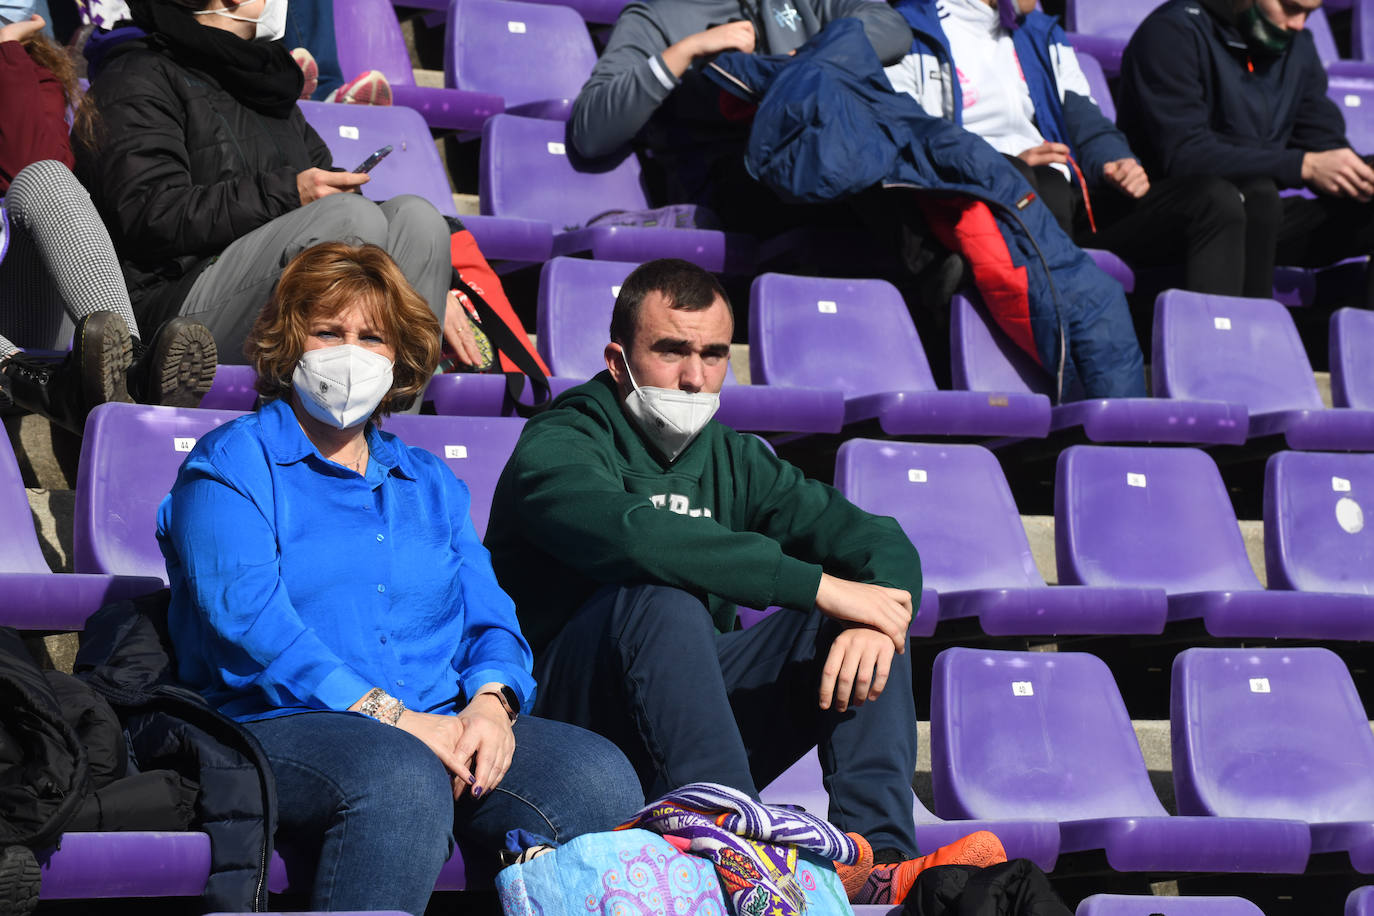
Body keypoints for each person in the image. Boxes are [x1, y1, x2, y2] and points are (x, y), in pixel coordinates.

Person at [485, 257, 1005, 907]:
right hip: (564, 724)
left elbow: (877, 538)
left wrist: (870, 611)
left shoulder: (734, 456)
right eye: (670, 351)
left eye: (712, 354)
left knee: (860, 619)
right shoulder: (560, 440)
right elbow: (636, 536)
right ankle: (749, 854)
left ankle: (873, 862)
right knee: (659, 597)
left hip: (684, 719)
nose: (694, 377)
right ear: (617, 361)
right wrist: (818, 585)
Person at [156, 241, 643, 916]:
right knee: (399, 774)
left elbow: (491, 621)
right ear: (289, 340)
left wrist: (490, 708)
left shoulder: (430, 481)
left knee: (595, 774)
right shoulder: (231, 464)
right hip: (277, 723)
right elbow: (250, 624)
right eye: (329, 331)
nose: (349, 352)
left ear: (400, 359)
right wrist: (397, 719)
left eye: (371, 337)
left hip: (439, 725)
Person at [72, 0, 460, 369]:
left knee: (417, 221)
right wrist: (290, 194)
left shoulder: (264, 80)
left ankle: (389, 424)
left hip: (270, 287)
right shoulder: (134, 76)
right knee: (348, 218)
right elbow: (150, 214)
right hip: (174, 304)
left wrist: (414, 285)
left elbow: (327, 187)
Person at [886, 0, 1251, 297]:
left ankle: (1213, 367)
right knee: (1044, 184)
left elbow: (1084, 119)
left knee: (1214, 201)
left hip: (1068, 199)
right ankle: (1060, 359)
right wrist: (1007, 163)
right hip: (988, 200)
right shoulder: (909, 31)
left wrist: (1116, 160)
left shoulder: (1041, 33)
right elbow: (913, 138)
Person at [0, 12, 216, 433]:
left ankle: (128, 371)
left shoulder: (17, 65)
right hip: (14, 368)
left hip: (18, 308)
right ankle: (47, 389)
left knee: (44, 177)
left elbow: (28, 154)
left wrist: (6, 53)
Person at [568, 0, 912, 233]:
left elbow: (891, 29)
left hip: (828, 157)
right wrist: (684, 52)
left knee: (910, 173)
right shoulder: (654, 15)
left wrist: (805, 60)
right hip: (726, 182)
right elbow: (591, 132)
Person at [1117, 0, 1374, 301]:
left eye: (1309, 14)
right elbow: (1184, 154)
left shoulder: (1297, 44)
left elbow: (1322, 139)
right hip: (1176, 217)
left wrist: (1360, 171)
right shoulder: (1172, 31)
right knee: (1252, 195)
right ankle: (1232, 338)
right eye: (1291, 8)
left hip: (1257, 219)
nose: (1299, 24)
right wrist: (1303, 166)